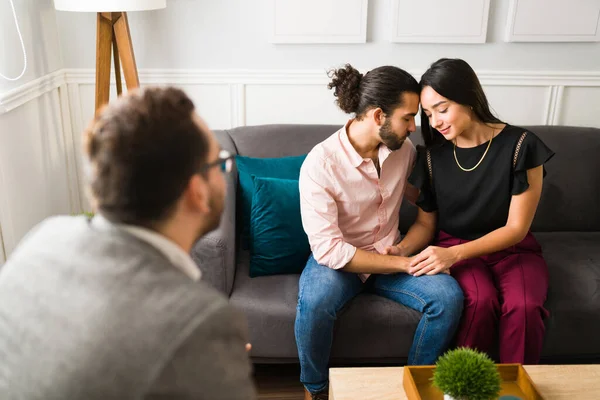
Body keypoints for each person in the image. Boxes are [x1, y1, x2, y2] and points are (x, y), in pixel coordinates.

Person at [0, 87, 257, 399]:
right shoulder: (199, 323)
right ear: (197, 191)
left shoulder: (42, 237)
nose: (225, 174)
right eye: (220, 163)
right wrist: (210, 356)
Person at [296, 64, 464, 400]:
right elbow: (329, 251)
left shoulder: (404, 154)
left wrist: (405, 251)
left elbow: (426, 211)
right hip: (344, 261)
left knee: (448, 297)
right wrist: (404, 265)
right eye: (407, 117)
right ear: (377, 116)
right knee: (314, 303)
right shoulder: (321, 163)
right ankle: (315, 390)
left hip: (391, 252)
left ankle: (412, 388)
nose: (414, 127)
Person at [402, 58, 554, 364]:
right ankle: (466, 391)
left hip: (514, 250)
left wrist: (454, 256)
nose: (435, 122)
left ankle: (515, 391)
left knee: (524, 306)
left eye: (442, 109)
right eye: (428, 114)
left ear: (469, 98)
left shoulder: (522, 146)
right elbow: (426, 223)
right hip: (453, 245)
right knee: (479, 302)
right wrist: (399, 251)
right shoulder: (432, 157)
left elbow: (516, 229)